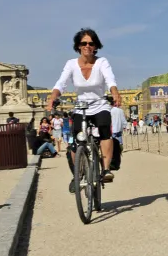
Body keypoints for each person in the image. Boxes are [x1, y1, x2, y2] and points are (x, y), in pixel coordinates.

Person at [46, 28, 121, 191]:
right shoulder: (71, 64)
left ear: (95, 46)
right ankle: (77, 175)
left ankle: (106, 169)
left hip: (100, 104)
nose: (87, 46)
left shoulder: (102, 62)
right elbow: (61, 83)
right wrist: (53, 97)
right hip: (81, 107)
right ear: (78, 46)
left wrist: (115, 92)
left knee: (104, 130)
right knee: (76, 140)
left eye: (91, 43)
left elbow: (110, 79)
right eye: (83, 43)